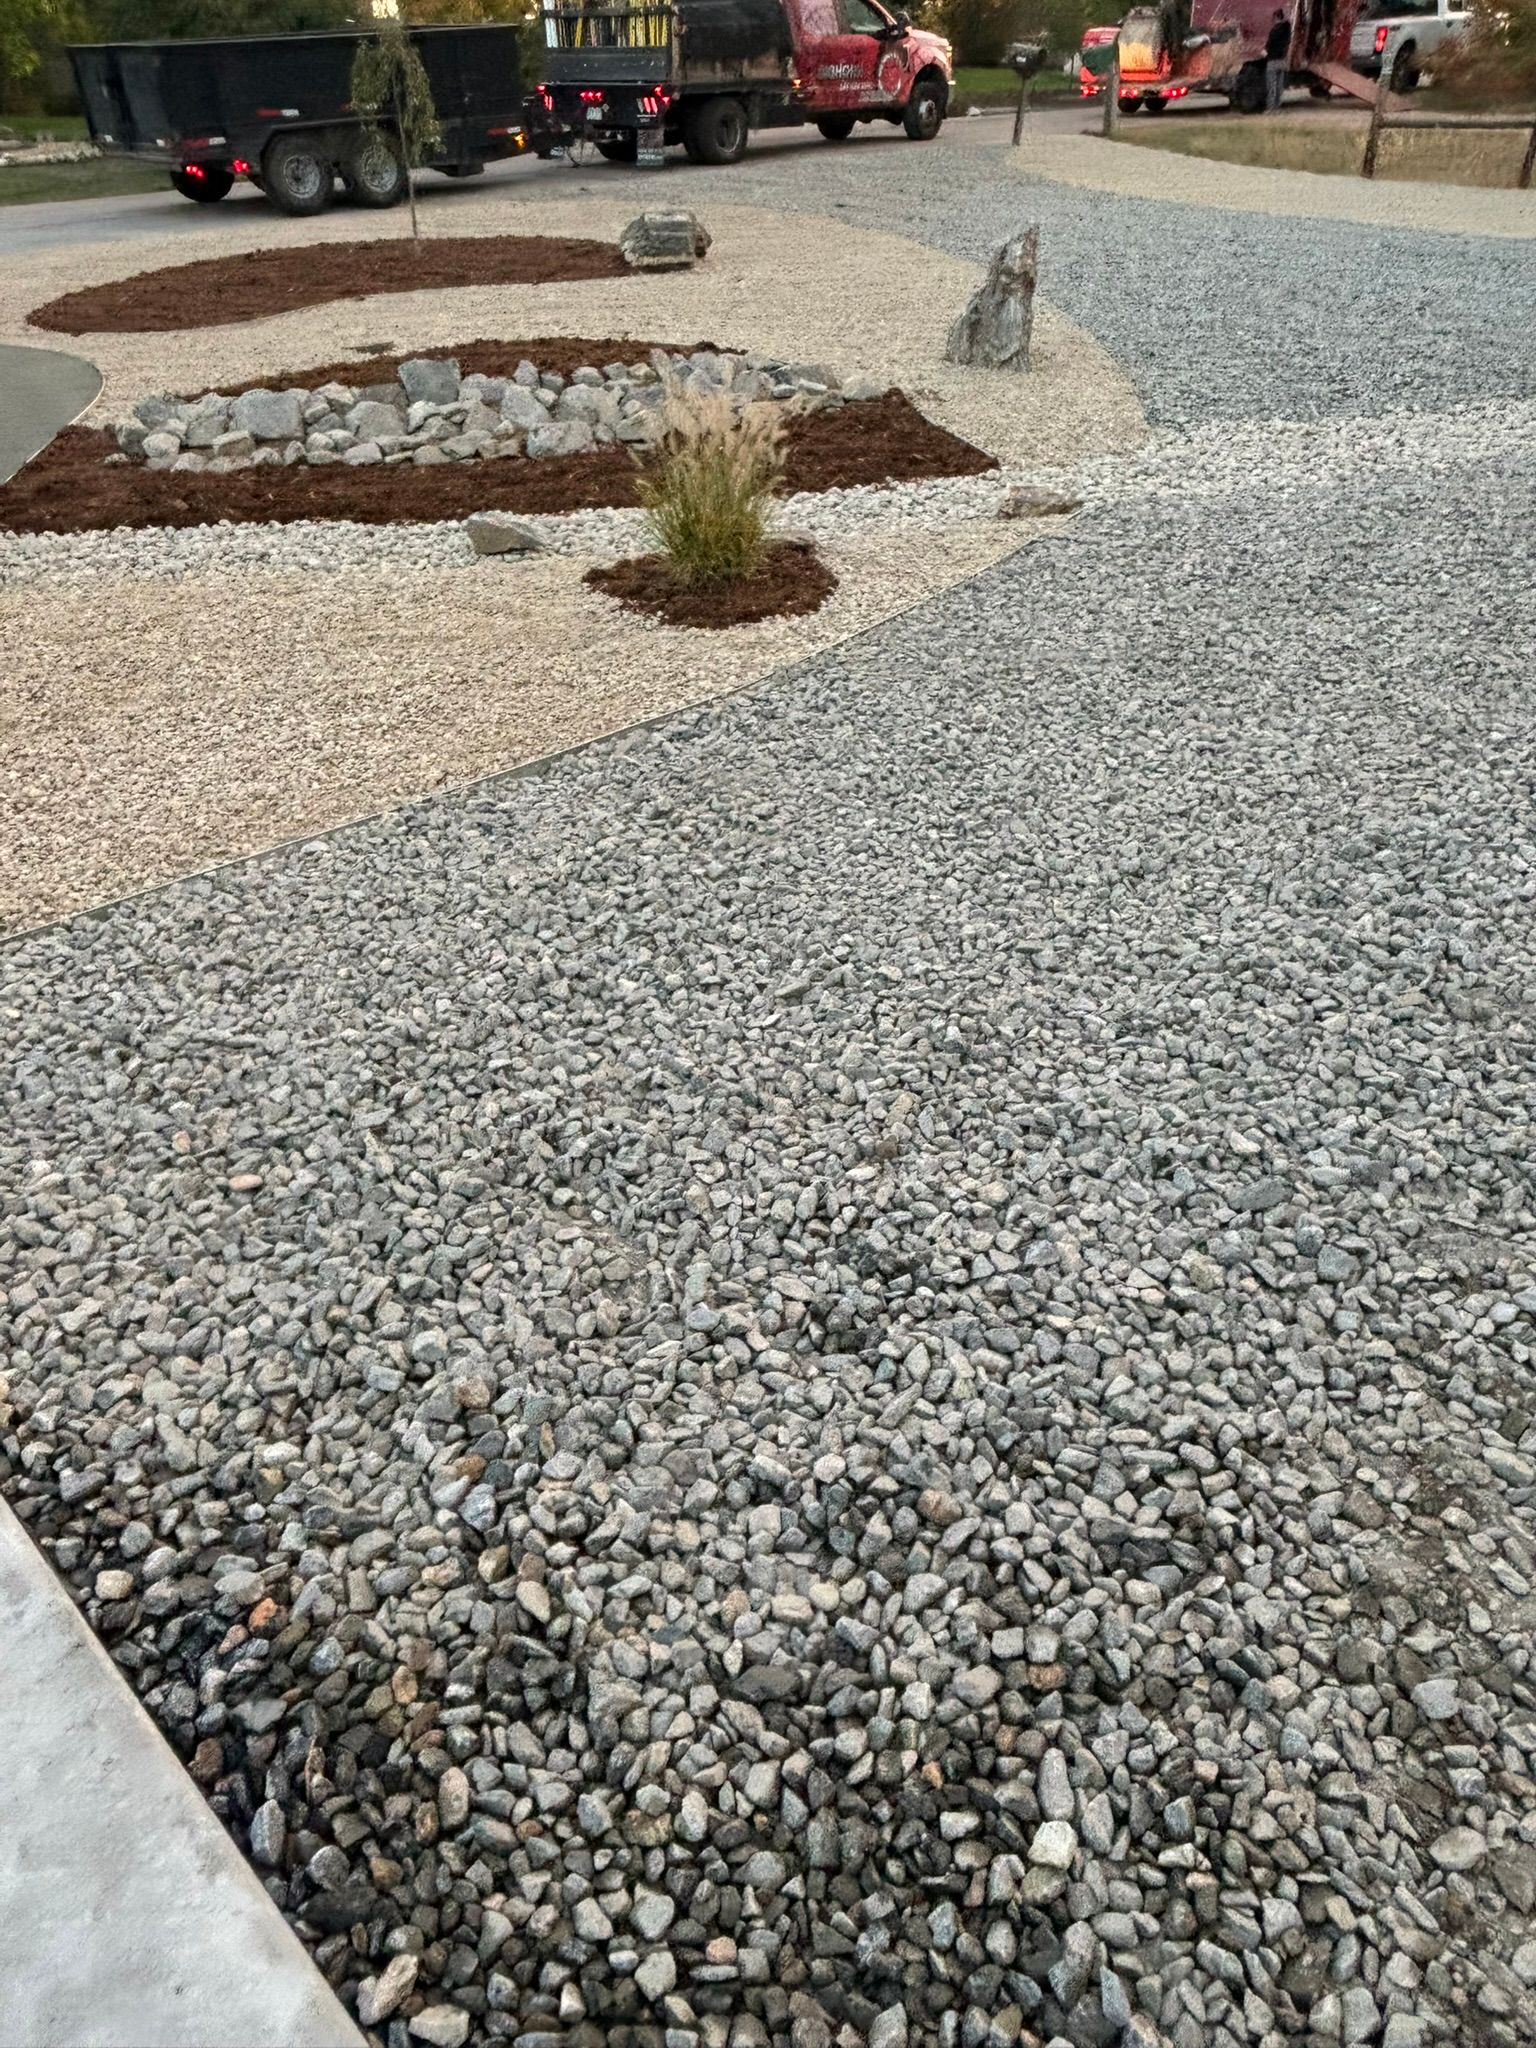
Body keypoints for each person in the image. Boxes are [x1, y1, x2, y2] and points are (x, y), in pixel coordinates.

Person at [1265, 8, 1291, 110]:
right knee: (1279, 86)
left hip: (1273, 60)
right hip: (1283, 60)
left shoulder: (1274, 31)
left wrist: (1265, 53)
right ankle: (1278, 105)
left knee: (1272, 85)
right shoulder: (1287, 30)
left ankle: (1271, 107)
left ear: (1275, 17)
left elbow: (1269, 45)